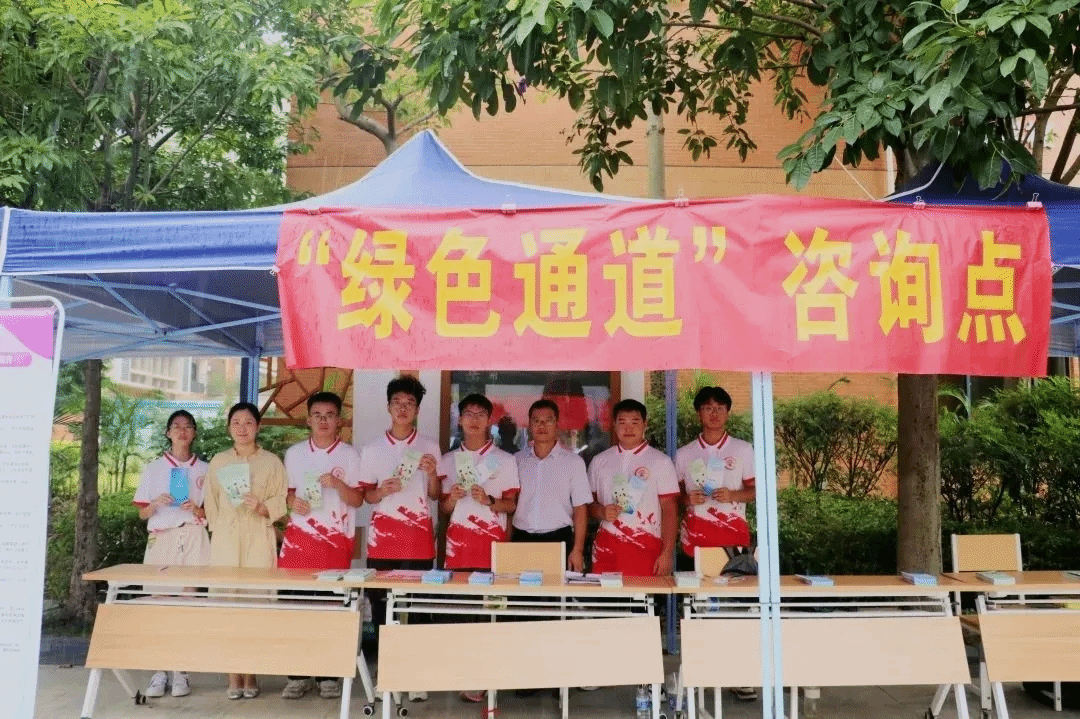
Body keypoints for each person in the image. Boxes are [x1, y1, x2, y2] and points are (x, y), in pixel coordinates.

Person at [358, 376, 441, 702]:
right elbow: (366, 496)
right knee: (381, 609)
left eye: (409, 404)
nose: (403, 409)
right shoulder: (372, 449)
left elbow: (435, 495)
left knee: (415, 608)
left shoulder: (429, 446)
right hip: (383, 540)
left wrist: (431, 473)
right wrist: (381, 491)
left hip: (418, 540)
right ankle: (387, 673)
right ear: (388, 407)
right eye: (398, 403)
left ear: (417, 410)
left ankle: (415, 673)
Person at [277, 392, 364, 701]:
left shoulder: (351, 455)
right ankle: (297, 675)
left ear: (339, 420)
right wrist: (292, 501)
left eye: (330, 415)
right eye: (317, 415)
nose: (323, 420)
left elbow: (358, 500)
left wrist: (338, 484)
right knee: (295, 609)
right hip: (299, 542)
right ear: (308, 420)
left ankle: (329, 674)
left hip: (335, 543)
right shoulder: (294, 454)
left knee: (333, 610)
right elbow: (284, 493)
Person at [674, 386, 758, 702]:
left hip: (733, 544)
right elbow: (672, 497)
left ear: (727, 412)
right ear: (699, 413)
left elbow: (757, 491)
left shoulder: (743, 450)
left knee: (737, 610)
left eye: (720, 407)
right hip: (695, 544)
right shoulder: (684, 454)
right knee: (695, 610)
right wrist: (687, 499)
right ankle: (699, 672)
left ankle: (739, 675)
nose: (714, 413)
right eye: (708, 407)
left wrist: (733, 495)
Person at [438, 393, 520, 703]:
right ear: (460, 420)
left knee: (490, 612)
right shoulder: (448, 460)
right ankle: (465, 674)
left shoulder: (505, 460)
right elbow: (444, 509)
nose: (474, 420)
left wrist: (489, 500)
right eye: (468, 414)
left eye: (480, 414)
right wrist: (452, 498)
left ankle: (487, 675)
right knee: (460, 612)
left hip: (492, 549)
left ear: (489, 420)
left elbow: (512, 505)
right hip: (458, 548)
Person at [203, 402, 287, 700]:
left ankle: (251, 673)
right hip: (226, 540)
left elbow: (281, 499)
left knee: (256, 603)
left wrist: (263, 507)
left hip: (258, 538)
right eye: (236, 422)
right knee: (226, 604)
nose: (242, 428)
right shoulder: (219, 461)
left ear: (258, 426)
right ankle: (232, 675)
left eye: (249, 422)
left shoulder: (272, 462)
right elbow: (210, 501)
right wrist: (219, 529)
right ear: (229, 427)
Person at [132, 410, 209, 699]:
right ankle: (159, 670)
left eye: (188, 426)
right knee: (159, 603)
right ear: (168, 433)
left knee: (189, 603)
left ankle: (182, 671)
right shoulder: (154, 468)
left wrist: (197, 509)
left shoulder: (206, 469)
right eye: (176, 426)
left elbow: (214, 512)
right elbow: (142, 513)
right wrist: (155, 504)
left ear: (194, 432)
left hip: (193, 535)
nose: (182, 431)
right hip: (162, 537)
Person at [587, 399, 679, 576]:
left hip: (645, 547)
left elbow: (669, 508)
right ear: (614, 425)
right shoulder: (599, 461)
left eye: (635, 422)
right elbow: (588, 506)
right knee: (606, 594)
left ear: (645, 424)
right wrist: (601, 512)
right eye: (622, 422)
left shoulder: (661, 462)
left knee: (643, 594)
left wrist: (667, 553)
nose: (628, 428)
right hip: (607, 548)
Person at [512, 399, 590, 571]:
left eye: (548, 420)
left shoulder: (573, 462)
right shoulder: (516, 460)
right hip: (521, 539)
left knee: (556, 588)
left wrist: (577, 550)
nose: (542, 425)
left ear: (557, 424)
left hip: (558, 539)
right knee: (521, 588)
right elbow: (510, 504)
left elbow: (580, 508)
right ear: (529, 425)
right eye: (536, 421)